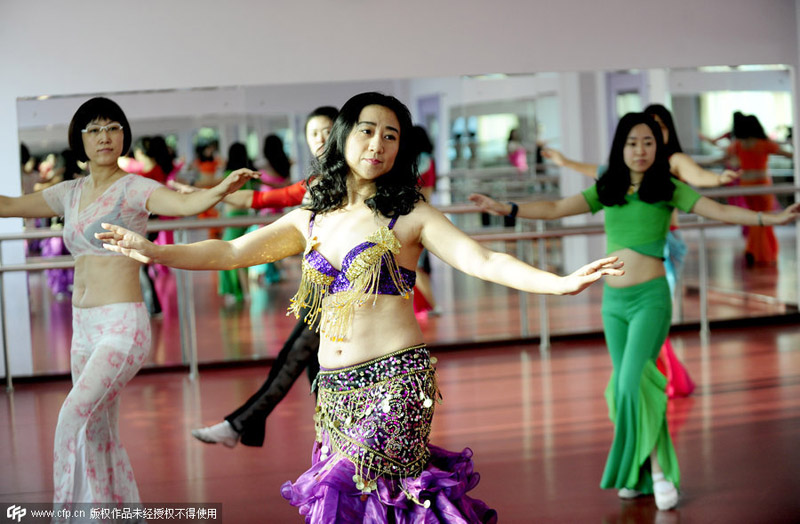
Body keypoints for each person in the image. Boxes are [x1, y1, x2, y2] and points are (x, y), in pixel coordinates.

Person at [98, 91, 623, 522]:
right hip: (334, 392)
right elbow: (233, 251)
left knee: (341, 495)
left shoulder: (409, 212)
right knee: (381, 509)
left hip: (396, 382)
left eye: (391, 135)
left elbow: (482, 260)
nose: (378, 143)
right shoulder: (313, 216)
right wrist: (154, 250)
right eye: (368, 130)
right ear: (345, 135)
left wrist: (560, 284)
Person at [469, 112, 800, 512]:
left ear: (657, 148)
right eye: (632, 143)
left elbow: (720, 211)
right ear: (620, 148)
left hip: (651, 299)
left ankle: (659, 472)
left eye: (647, 142)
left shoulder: (668, 188)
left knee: (630, 383)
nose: (640, 150)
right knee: (631, 388)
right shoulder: (608, 187)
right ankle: (640, 475)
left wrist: (771, 217)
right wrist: (504, 207)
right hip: (614, 304)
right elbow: (557, 207)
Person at [0, 96, 257, 512]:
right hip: (83, 327)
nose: (105, 136)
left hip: (122, 327)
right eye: (95, 129)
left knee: (71, 420)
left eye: (113, 128)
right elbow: (8, 206)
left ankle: (65, 516)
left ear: (123, 136)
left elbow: (184, 204)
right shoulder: (69, 192)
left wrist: (221, 189)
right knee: (98, 431)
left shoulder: (136, 188)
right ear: (79, 140)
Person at [543, 103, 739, 398]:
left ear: (665, 130)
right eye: (638, 136)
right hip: (633, 254)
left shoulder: (672, 159)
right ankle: (658, 379)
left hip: (665, 244)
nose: (646, 139)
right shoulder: (632, 164)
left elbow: (697, 177)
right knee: (644, 332)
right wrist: (565, 161)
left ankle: (662, 379)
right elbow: (600, 171)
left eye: (656, 128)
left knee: (653, 316)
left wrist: (716, 179)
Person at [188, 105, 337, 448]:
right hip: (316, 286)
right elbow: (260, 198)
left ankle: (242, 423)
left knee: (295, 354)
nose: (321, 139)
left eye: (328, 130)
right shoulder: (316, 181)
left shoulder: (350, 180)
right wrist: (202, 194)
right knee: (314, 367)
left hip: (341, 290)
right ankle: (327, 445)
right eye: (314, 133)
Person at [719, 114, 793, 265]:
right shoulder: (763, 144)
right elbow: (787, 154)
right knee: (765, 219)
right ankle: (763, 254)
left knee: (754, 218)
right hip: (762, 187)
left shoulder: (739, 145)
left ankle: (753, 251)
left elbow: (723, 156)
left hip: (746, 186)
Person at [218, 142, 257, 305]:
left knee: (228, 254)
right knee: (241, 254)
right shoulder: (248, 175)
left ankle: (236, 292)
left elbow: (222, 195)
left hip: (233, 217)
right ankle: (244, 292)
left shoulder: (230, 174)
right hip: (245, 216)